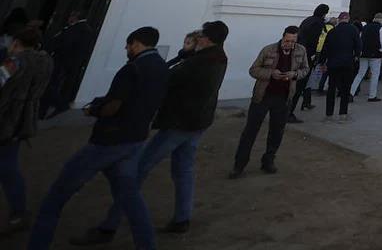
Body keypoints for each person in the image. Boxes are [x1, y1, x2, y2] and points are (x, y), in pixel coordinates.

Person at [74, 21, 229, 244]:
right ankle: (182, 218)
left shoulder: (199, 62)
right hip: (198, 122)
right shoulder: (218, 58)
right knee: (184, 169)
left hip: (178, 123)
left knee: (137, 171)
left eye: (201, 37)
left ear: (206, 39)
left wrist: (183, 57)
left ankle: (109, 225)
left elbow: (164, 78)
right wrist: (186, 54)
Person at [28, 27, 168, 250]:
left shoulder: (131, 69)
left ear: (137, 43)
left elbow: (113, 106)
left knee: (56, 196)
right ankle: (146, 243)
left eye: (128, 44)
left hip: (109, 141)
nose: (126, 49)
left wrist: (93, 110)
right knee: (130, 197)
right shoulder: (162, 67)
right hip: (135, 139)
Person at [231, 26, 308, 179]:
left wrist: (294, 74)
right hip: (263, 95)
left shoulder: (301, 51)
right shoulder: (269, 50)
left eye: (293, 41)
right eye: (287, 40)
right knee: (250, 131)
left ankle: (268, 160)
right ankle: (239, 165)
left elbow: (305, 69)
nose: (290, 44)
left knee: (277, 131)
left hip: (284, 97)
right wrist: (271, 74)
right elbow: (253, 70)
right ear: (282, 37)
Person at [0, 28, 52, 235]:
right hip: (23, 119)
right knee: (9, 166)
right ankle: (19, 211)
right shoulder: (46, 62)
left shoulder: (14, 61)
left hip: (5, 118)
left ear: (17, 42)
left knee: (8, 167)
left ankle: (19, 211)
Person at [41, 12, 93, 120]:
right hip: (68, 62)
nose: (68, 18)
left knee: (51, 86)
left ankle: (54, 106)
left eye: (71, 16)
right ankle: (52, 107)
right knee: (52, 86)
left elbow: (65, 44)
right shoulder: (81, 29)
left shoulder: (79, 29)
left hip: (64, 62)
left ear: (75, 17)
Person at [319, 13, 360, 120]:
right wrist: (356, 56)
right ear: (348, 19)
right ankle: (343, 113)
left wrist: (322, 62)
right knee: (346, 89)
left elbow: (325, 48)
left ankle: (329, 113)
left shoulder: (332, 31)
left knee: (331, 88)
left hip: (333, 63)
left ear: (339, 19)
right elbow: (359, 45)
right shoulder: (353, 30)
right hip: (347, 63)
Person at [291, 4, 328, 118]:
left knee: (299, 82)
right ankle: (289, 112)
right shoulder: (318, 23)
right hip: (307, 55)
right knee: (301, 83)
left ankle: (303, 103)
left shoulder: (308, 20)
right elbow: (314, 40)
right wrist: (313, 55)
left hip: (297, 53)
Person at [351, 13, 382, 103]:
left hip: (364, 54)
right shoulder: (381, 28)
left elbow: (360, 39)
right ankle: (372, 95)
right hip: (375, 54)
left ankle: (350, 93)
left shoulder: (365, 27)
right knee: (375, 75)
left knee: (360, 74)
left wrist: (358, 52)